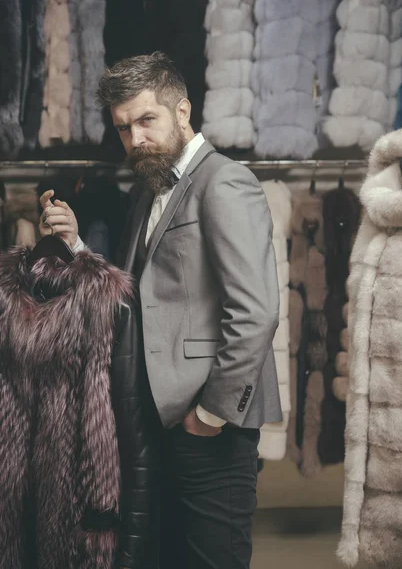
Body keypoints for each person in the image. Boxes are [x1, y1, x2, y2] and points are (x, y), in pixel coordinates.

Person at [38, 52, 282, 569]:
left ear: (183, 111)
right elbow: (139, 294)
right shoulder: (145, 193)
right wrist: (78, 244)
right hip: (157, 421)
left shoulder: (225, 182)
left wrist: (213, 413)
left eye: (147, 120)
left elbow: (256, 311)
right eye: (125, 128)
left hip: (210, 425)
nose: (136, 139)